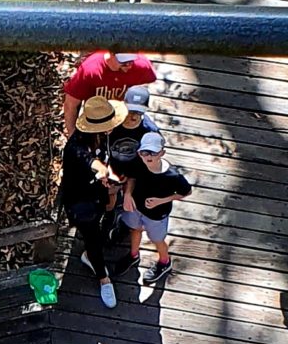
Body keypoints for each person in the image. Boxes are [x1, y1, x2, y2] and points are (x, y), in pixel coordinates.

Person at [58, 99, 129, 308]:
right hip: (81, 202)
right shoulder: (76, 147)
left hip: (98, 193)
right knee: (92, 238)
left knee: (103, 222)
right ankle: (102, 276)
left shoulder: (104, 136)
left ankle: (95, 251)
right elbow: (90, 160)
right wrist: (102, 170)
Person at [119, 129, 193, 284]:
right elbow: (132, 178)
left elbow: (186, 192)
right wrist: (127, 194)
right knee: (135, 229)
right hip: (136, 208)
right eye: (144, 153)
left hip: (157, 215)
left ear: (162, 153)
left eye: (152, 153)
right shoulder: (139, 164)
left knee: (157, 239)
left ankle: (165, 262)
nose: (147, 157)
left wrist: (161, 200)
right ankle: (133, 255)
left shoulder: (172, 175)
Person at [60, 49, 157, 136]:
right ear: (111, 53)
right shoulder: (90, 70)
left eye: (131, 61)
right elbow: (71, 104)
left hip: (124, 121)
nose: (129, 66)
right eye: (124, 63)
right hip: (97, 123)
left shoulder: (141, 65)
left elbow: (147, 84)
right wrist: (73, 135)